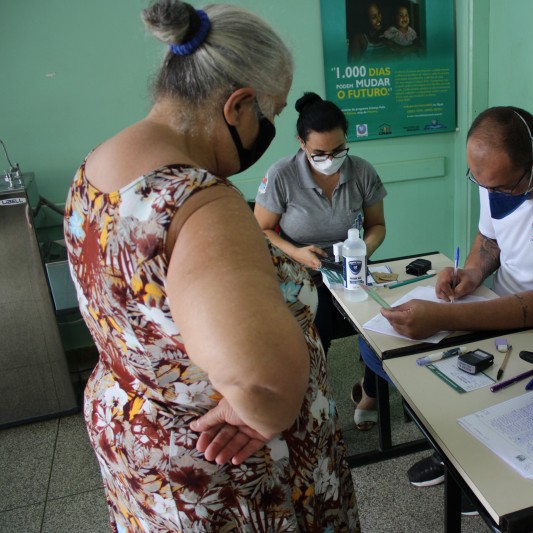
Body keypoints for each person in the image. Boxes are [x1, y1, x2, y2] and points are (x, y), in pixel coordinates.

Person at [63, 2, 359, 530]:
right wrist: (262, 409)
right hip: (225, 470)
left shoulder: (101, 163)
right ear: (238, 105)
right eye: (272, 112)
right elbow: (263, 378)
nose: (270, 126)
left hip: (140, 441)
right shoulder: (201, 205)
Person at [381, 106, 533, 491]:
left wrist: (446, 318)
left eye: (500, 188)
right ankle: (460, 462)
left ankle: (499, 489)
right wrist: (473, 272)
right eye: (482, 184)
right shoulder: (497, 170)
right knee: (463, 395)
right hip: (505, 312)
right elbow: (490, 238)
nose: (490, 193)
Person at [253, 91, 388, 431]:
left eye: (339, 150)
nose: (331, 158)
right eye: (320, 153)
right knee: (317, 333)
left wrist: (361, 251)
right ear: (301, 143)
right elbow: (262, 230)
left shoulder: (362, 172)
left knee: (379, 327)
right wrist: (299, 253)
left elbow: (377, 225)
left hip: (350, 266)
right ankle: (318, 407)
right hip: (302, 270)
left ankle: (370, 393)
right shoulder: (282, 175)